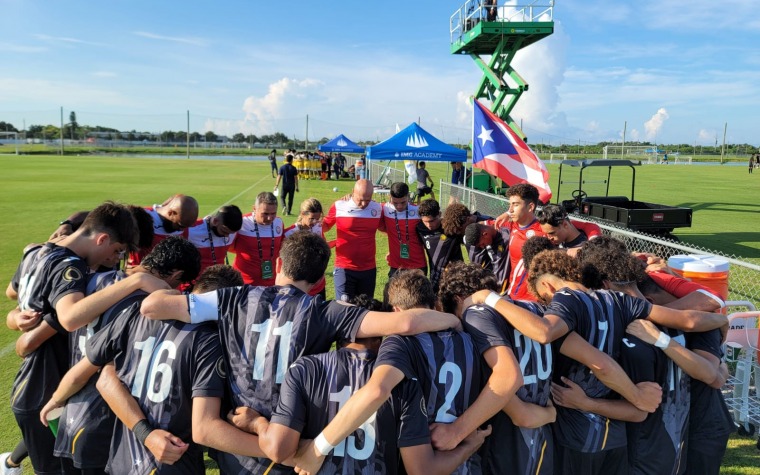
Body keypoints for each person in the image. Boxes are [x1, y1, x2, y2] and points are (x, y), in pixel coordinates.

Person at [139, 231, 462, 474]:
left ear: (279, 264)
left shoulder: (233, 298)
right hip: (292, 443)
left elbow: (153, 306)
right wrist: (451, 319)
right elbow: (405, 322)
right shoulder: (324, 312)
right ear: (321, 279)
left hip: (236, 446)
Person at [466, 250, 727, 474]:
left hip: (576, 439)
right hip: (616, 438)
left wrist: (490, 298)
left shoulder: (566, 304)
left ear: (547, 288)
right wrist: (722, 319)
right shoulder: (621, 301)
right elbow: (689, 320)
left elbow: (547, 333)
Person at [431, 262, 661, 474]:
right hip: (543, 447)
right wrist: (635, 395)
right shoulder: (536, 311)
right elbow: (598, 360)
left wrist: (457, 431)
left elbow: (510, 386)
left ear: (461, 299)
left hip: (510, 449)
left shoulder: (475, 315)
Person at [39, 265, 267, 475]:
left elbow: (103, 378)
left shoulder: (135, 313)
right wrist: (279, 449)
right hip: (173, 462)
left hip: (125, 461)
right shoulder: (212, 341)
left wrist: (56, 399)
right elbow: (206, 428)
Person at [289, 270, 486, 475]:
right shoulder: (470, 338)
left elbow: (376, 391)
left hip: (427, 458)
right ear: (434, 303)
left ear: (395, 310)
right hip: (470, 464)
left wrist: (318, 448)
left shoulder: (399, 343)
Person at [40, 237, 201, 474]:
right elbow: (102, 368)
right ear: (176, 275)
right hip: (106, 416)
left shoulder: (97, 279)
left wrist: (58, 397)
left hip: (74, 408)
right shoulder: (146, 305)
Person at [6, 202, 137, 474]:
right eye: (115, 251)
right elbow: (69, 317)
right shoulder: (71, 267)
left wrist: (16, 319)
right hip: (47, 383)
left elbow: (12, 294)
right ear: (102, 238)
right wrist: (136, 282)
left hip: (32, 380)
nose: (113, 259)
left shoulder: (34, 251)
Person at [322, 179, 383, 301]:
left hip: (368, 269)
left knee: (365, 310)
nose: (364, 204)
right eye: (360, 199)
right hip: (344, 268)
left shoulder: (378, 208)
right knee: (344, 310)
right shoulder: (340, 206)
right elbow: (324, 226)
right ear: (352, 192)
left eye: (368, 199)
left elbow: (390, 228)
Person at [493, 183, 545, 301]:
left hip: (536, 300)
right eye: (509, 205)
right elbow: (481, 223)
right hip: (513, 294)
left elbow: (587, 226)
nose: (510, 209)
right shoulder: (510, 225)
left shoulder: (544, 229)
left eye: (515, 205)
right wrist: (507, 214)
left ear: (530, 207)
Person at [230, 192, 284, 286]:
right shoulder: (242, 223)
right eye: (265, 213)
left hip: (271, 283)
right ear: (254, 208)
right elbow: (228, 246)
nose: (269, 218)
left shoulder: (279, 223)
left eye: (273, 213)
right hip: (244, 283)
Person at [284, 198, 330, 299]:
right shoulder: (289, 233)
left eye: (317, 218)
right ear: (302, 214)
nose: (315, 222)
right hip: (299, 286)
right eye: (311, 218)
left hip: (318, 284)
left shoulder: (318, 227)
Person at [379, 183, 427, 277]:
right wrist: (348, 198)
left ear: (408, 197)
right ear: (390, 197)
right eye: (395, 202)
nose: (399, 206)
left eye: (403, 202)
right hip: (396, 266)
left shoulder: (418, 211)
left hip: (417, 265)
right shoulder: (384, 209)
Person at [416, 199, 464, 292]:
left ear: (439, 214)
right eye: (425, 221)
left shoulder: (451, 228)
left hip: (456, 276)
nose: (428, 225)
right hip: (435, 278)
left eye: (432, 221)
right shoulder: (420, 228)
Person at [185, 204, 243, 279]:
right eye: (224, 231)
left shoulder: (232, 232)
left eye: (230, 233)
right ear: (215, 221)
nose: (227, 236)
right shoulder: (191, 229)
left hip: (217, 283)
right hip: (193, 285)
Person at [463, 222, 511, 294]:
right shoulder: (490, 243)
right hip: (498, 285)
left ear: (485, 234)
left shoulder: (507, 235)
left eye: (482, 244)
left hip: (506, 288)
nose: (482, 247)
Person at [535, 204, 601, 253]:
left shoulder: (587, 247)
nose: (549, 238)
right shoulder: (558, 240)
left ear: (565, 225)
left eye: (552, 233)